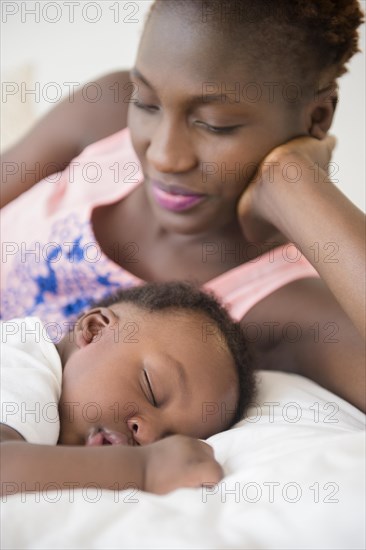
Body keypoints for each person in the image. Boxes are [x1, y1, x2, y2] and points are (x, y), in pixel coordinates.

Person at [0, 1, 365, 413]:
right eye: (147, 103)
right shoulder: (105, 112)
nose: (164, 156)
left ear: (317, 117)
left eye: (215, 124)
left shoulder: (287, 303)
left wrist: (297, 184)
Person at [0, 281, 255, 496]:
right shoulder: (22, 362)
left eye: (166, 440)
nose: (148, 435)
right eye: (151, 392)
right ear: (94, 330)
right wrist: (145, 469)